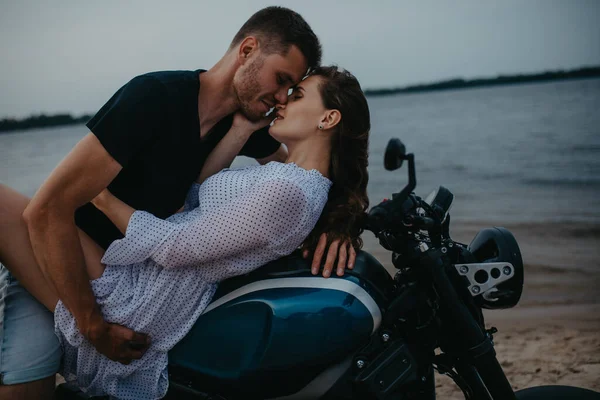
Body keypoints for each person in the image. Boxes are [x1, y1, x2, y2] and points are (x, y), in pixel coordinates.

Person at [0, 7, 357, 399]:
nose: (280, 98)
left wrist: (341, 225)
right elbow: (48, 212)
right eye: (282, 80)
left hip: (125, 283)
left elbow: (310, 178)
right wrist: (91, 324)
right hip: (61, 259)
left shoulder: (251, 122)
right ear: (248, 49)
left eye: (292, 91)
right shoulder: (153, 98)